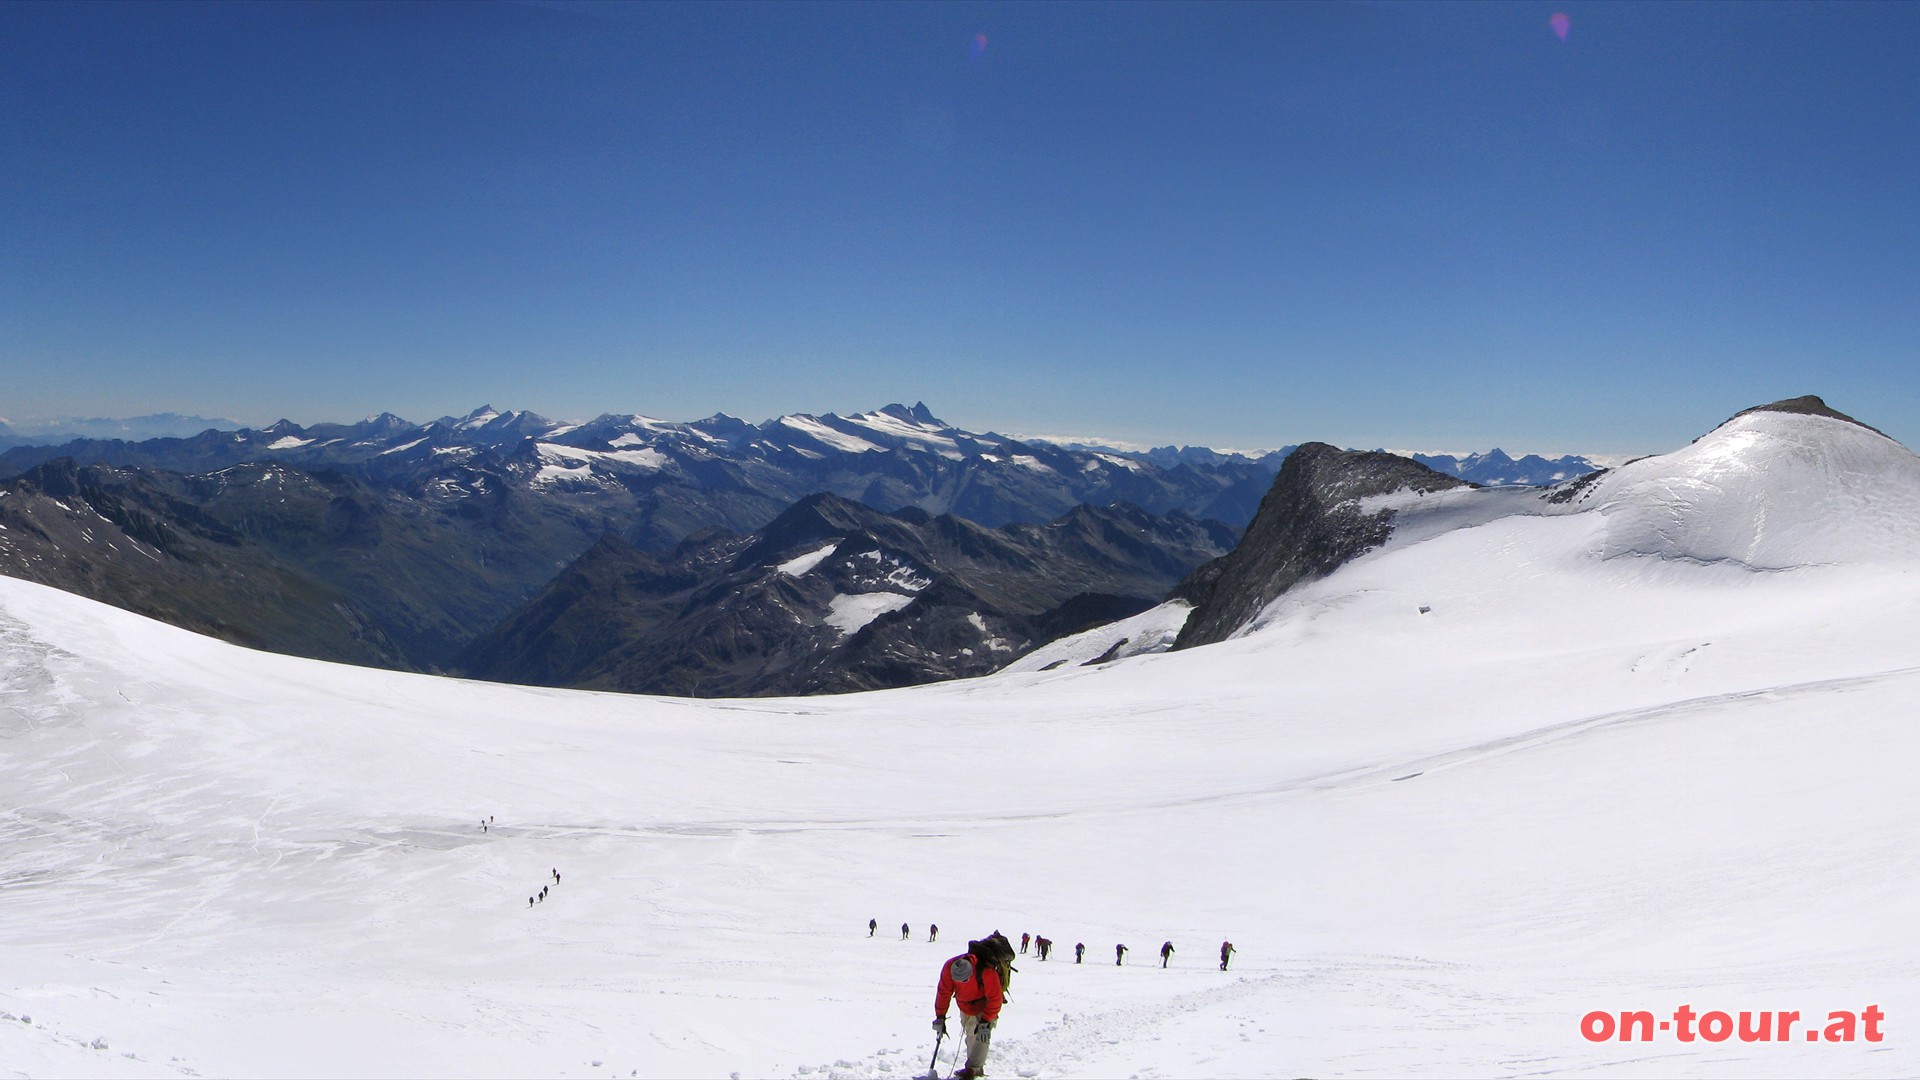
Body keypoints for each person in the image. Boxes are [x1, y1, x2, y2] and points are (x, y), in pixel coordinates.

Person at [934, 933, 1015, 1080]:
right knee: (971, 1033)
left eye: (966, 980)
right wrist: (940, 1017)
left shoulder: (986, 970)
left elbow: (995, 998)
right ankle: (975, 1068)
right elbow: (944, 992)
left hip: (985, 1004)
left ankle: (973, 1069)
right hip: (965, 1005)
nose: (963, 983)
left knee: (982, 1035)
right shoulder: (949, 967)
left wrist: (987, 1020)